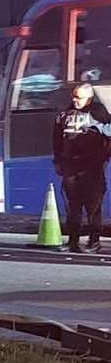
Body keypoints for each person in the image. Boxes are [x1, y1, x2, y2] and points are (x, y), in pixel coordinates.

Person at [53, 83, 111, 253]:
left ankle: (94, 242)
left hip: (92, 167)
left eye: (79, 97)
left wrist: (97, 127)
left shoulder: (99, 113)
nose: (75, 100)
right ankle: (73, 241)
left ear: (89, 98)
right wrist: (57, 161)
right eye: (74, 96)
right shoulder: (65, 114)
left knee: (93, 206)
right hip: (70, 166)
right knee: (72, 206)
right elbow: (57, 139)